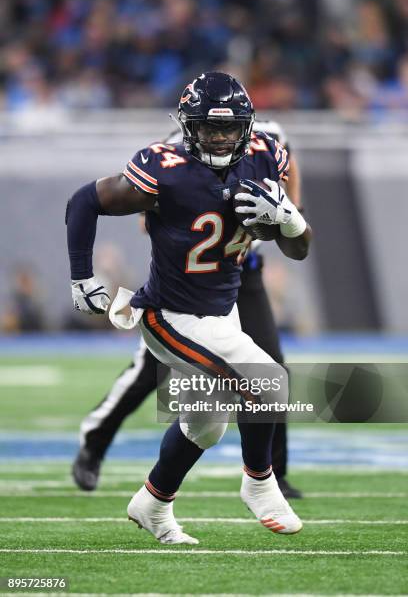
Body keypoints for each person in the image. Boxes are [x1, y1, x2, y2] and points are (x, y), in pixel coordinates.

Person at [66, 71, 311, 545]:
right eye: (208, 128)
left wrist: (291, 220)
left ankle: (153, 503)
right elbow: (84, 201)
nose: (219, 138)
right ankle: (260, 483)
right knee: (269, 381)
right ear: (187, 125)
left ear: (247, 126)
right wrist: (82, 276)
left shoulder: (265, 155)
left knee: (206, 423)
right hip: (169, 314)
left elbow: (299, 250)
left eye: (228, 128)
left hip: (223, 312)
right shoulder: (165, 167)